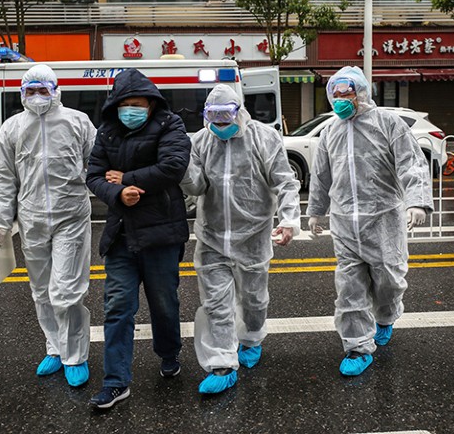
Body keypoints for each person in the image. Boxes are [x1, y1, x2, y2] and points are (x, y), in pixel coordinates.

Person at [307, 66, 433, 377]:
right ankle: (357, 346)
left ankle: (387, 315)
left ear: (361, 92)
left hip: (383, 221)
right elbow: (321, 177)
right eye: (334, 94)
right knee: (349, 289)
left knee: (389, 281)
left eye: (346, 93)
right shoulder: (329, 133)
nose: (340, 99)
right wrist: (315, 211)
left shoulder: (387, 123)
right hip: (345, 224)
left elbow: (411, 163)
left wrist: (416, 201)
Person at [181, 84, 301, 395]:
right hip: (212, 237)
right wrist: (182, 169)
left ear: (240, 111)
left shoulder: (264, 138)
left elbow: (284, 182)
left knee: (254, 299)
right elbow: (195, 187)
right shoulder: (201, 141)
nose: (220, 124)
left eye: (226, 116)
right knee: (216, 304)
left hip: (254, 236)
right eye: (213, 118)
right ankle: (222, 363)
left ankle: (252, 337)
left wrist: (288, 220)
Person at [86, 68, 191, 409]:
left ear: (150, 103)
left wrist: (129, 179)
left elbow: (174, 166)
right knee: (117, 307)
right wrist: (117, 193)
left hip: (161, 231)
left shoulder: (170, 124)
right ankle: (116, 381)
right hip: (121, 234)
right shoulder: (108, 131)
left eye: (138, 103)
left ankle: (169, 351)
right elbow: (94, 175)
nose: (131, 109)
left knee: (164, 303)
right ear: (115, 105)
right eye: (124, 104)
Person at [0, 64, 97, 387]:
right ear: (22, 94)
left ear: (55, 90)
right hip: (32, 217)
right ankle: (55, 347)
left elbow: (99, 163)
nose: (37, 96)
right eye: (30, 90)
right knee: (41, 290)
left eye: (43, 90)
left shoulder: (77, 122)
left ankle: (75, 355)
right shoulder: (12, 128)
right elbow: (4, 176)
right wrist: (0, 221)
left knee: (66, 290)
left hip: (71, 217)